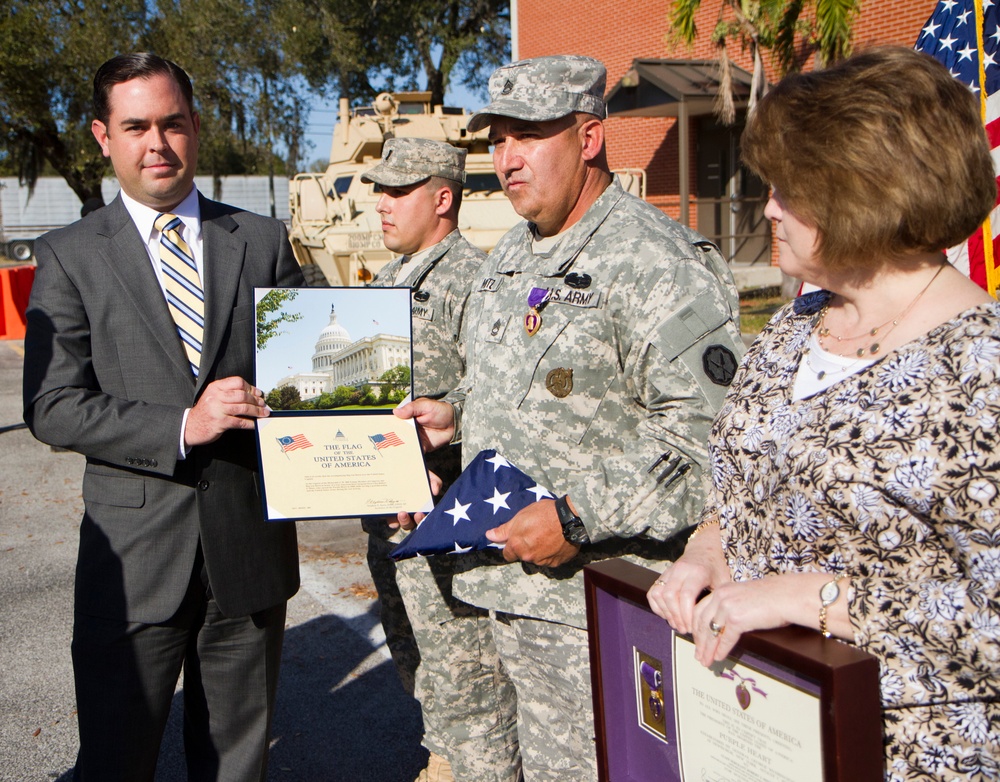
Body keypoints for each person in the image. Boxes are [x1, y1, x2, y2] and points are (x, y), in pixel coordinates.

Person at [646, 47, 1000, 781]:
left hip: (909, 756)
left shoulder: (980, 371)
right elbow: (745, 486)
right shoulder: (793, 325)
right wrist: (708, 554)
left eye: (790, 189)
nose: (769, 206)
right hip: (758, 736)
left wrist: (815, 598)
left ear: (863, 192)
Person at [395, 54, 744, 780]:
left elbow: (706, 439)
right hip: (490, 583)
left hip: (586, 608)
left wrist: (578, 516)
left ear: (589, 138)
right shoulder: (513, 252)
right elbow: (514, 386)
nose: (506, 158)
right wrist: (450, 419)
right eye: (498, 138)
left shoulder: (655, 259)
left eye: (529, 135)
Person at [22, 53, 301, 781]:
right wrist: (184, 424)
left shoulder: (262, 241)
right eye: (136, 125)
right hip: (136, 560)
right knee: (117, 761)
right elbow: (52, 405)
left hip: (247, 550)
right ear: (101, 136)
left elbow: (320, 375)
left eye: (173, 123)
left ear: (196, 128)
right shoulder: (70, 256)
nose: (158, 143)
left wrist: (380, 459)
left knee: (237, 768)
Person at [360, 137, 519, 782]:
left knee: (467, 681)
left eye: (399, 191)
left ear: (443, 197)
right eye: (381, 191)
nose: (382, 205)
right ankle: (442, 758)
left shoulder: (473, 283)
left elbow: (499, 397)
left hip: (447, 522)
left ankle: (462, 769)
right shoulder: (393, 278)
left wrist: (447, 431)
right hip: (388, 518)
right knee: (417, 664)